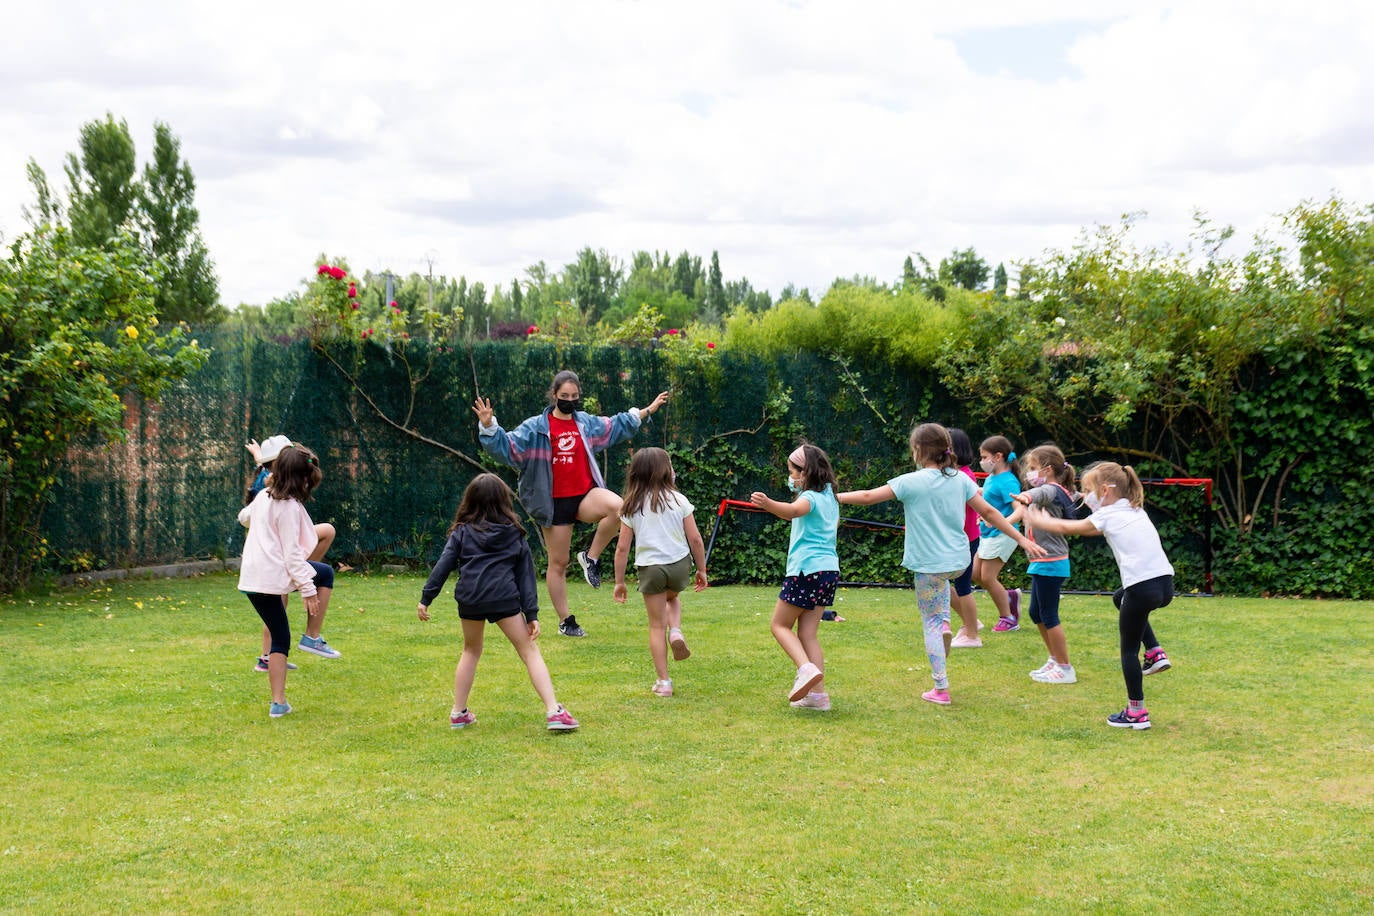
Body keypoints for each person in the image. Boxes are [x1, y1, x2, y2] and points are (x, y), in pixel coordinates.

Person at [839, 424, 1044, 705]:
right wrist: (1022, 540)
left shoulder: (910, 481)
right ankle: (946, 623)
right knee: (943, 599)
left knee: (931, 622)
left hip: (928, 564)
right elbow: (989, 511)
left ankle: (941, 688)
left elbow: (866, 497)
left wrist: (832, 497)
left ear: (918, 450)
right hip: (958, 560)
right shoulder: (960, 480)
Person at [474, 370, 669, 638]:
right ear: (554, 395)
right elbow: (507, 448)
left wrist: (648, 410)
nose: (569, 400)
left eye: (575, 396)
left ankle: (591, 557)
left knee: (619, 508)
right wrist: (488, 426)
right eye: (564, 396)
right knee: (559, 562)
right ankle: (566, 621)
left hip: (584, 495)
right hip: (553, 504)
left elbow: (615, 425)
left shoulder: (585, 424)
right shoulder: (535, 428)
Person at [417, 473, 579, 732]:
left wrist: (427, 598)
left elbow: (443, 565)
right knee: (528, 651)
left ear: (470, 501)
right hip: (503, 597)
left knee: (470, 650)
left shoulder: (461, 532)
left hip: (470, 598)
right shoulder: (514, 534)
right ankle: (554, 711)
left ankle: (458, 713)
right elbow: (525, 576)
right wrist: (531, 614)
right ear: (504, 501)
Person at [1026, 461, 1174, 730]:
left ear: (1105, 490)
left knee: (1128, 651)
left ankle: (1136, 713)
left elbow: (1075, 528)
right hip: (1165, 585)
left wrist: (1040, 521)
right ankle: (1154, 651)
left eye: (1088, 490)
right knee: (1119, 598)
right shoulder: (1134, 508)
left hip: (1141, 588)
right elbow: (1094, 524)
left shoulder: (1107, 516)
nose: (1085, 496)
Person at [236, 443, 335, 718]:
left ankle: (279, 704)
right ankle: (312, 636)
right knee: (325, 574)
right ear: (300, 478)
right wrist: (308, 590)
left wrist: (260, 507)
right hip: (273, 574)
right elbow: (293, 556)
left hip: (252, 580)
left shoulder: (264, 496)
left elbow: (243, 517)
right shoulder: (289, 507)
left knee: (280, 637)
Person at [611, 448, 709, 698]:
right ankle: (675, 629)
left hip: (650, 568)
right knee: (672, 597)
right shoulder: (680, 500)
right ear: (666, 471)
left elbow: (622, 548)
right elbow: (695, 539)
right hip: (679, 565)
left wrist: (620, 582)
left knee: (656, 626)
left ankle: (664, 682)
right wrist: (701, 569)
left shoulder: (630, 505)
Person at [749, 443, 840, 710]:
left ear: (806, 472)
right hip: (828, 572)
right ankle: (818, 698)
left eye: (792, 472)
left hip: (805, 570)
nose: (790, 477)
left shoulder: (809, 498)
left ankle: (805, 669)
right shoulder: (830, 498)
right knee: (809, 634)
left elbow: (793, 511)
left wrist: (767, 504)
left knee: (779, 626)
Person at [244, 435, 340, 665]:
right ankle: (268, 656)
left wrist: (259, 458)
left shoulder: (277, 475)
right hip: (272, 549)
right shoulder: (272, 484)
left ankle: (300, 576)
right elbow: (253, 510)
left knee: (326, 531)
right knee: (277, 602)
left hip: (278, 545)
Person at [1010, 444, 1080, 684]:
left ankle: (1065, 668)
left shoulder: (1051, 489)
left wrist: (1027, 496)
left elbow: (1039, 495)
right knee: (1035, 612)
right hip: (1041, 561)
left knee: (1049, 614)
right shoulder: (1052, 489)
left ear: (1047, 469)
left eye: (1032, 468)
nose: (1029, 472)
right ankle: (1054, 659)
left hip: (1052, 561)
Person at [974, 435, 1023, 633]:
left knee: (987, 577)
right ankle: (1009, 597)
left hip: (1003, 535)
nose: (982, 461)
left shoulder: (1008, 481)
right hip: (988, 533)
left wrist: (1002, 524)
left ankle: (1009, 618)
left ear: (998, 456)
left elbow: (1020, 510)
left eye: (984, 457)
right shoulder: (993, 477)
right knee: (975, 573)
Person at [947, 428, 983, 649]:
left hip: (965, 538)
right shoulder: (959, 474)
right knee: (944, 583)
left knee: (962, 586)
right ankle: (970, 622)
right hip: (961, 538)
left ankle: (971, 634)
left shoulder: (963, 476)